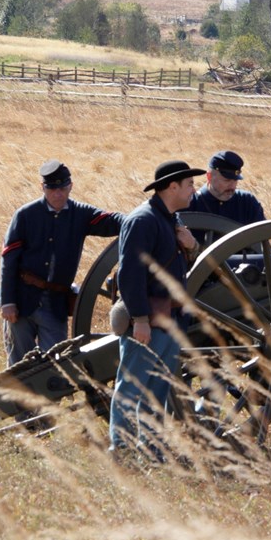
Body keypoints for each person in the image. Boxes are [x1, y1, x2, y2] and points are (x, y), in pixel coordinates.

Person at [109, 160, 204, 463]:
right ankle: (120, 451)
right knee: (132, 387)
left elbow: (177, 269)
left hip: (171, 320)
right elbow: (130, 275)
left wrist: (191, 247)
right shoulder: (143, 220)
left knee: (157, 392)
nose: (194, 189)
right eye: (189, 184)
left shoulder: (171, 220)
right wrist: (139, 320)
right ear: (172, 186)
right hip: (148, 320)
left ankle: (150, 451)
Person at [0, 159, 124, 366]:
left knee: (56, 366)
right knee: (19, 364)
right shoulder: (25, 215)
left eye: (62, 188)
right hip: (22, 297)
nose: (58, 193)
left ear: (70, 186)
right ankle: (19, 400)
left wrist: (141, 221)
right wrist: (8, 301)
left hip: (55, 301)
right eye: (52, 188)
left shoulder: (81, 214)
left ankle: (47, 400)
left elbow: (111, 221)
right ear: (43, 188)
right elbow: (9, 260)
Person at [185, 150, 265, 234]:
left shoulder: (247, 202)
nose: (232, 186)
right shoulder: (189, 203)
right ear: (209, 176)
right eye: (227, 180)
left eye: (235, 180)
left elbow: (262, 237)